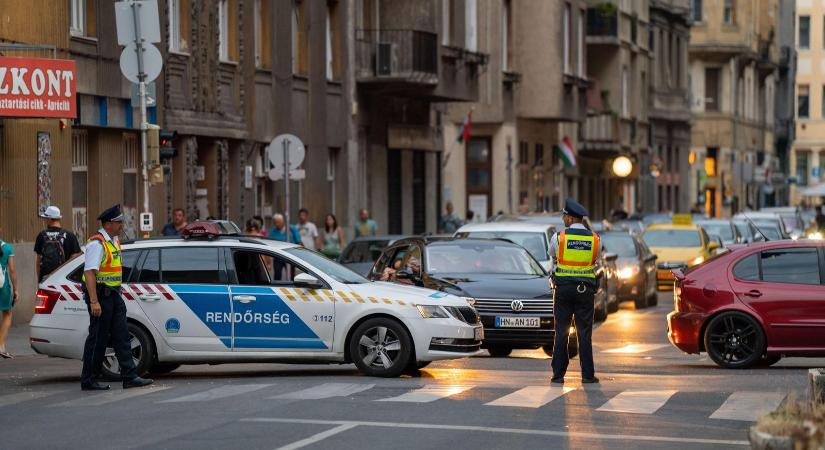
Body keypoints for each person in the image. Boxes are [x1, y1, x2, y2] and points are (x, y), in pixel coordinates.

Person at [80, 204, 153, 391]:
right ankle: (89, 379)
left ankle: (129, 376)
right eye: (119, 222)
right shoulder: (97, 244)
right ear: (108, 224)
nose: (122, 225)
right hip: (100, 296)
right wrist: (94, 301)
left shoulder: (114, 241)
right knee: (98, 339)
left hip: (113, 295)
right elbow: (90, 273)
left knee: (122, 336)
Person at [548, 198, 600, 385]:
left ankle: (558, 374)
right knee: (584, 333)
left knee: (561, 332)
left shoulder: (559, 237)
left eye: (564, 216)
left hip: (563, 290)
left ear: (570, 218)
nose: (563, 218)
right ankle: (587, 375)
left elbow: (552, 255)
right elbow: (596, 259)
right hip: (585, 291)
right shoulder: (595, 239)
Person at [34, 206, 81, 282]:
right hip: (63, 280)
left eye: (46, 218)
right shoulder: (70, 235)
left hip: (45, 279)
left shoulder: (41, 235)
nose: (45, 221)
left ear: (49, 219)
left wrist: (39, 281)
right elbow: (75, 260)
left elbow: (38, 261)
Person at [0, 234, 18, 359]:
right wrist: (16, 289)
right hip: (3, 287)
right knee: (7, 314)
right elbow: (12, 270)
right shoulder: (7, 248)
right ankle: (1, 346)